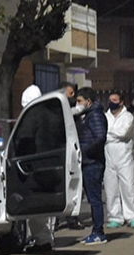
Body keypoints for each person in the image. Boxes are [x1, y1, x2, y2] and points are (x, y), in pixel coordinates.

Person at [19, 85, 58, 254]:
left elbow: (24, 141)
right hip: (53, 164)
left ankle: (42, 241)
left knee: (35, 206)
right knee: (49, 206)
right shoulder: (53, 115)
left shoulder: (31, 116)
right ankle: (48, 237)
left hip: (35, 166)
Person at [74, 87, 108, 245]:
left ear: (88, 102)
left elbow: (100, 137)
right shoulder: (86, 115)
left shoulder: (94, 115)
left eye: (80, 101)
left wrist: (85, 151)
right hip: (88, 161)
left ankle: (98, 232)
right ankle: (96, 231)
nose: (77, 104)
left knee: (95, 199)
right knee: (92, 198)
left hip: (93, 162)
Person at [104, 91, 134, 229]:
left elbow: (123, 133)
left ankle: (133, 216)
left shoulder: (128, 117)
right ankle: (115, 217)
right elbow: (102, 134)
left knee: (128, 188)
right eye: (110, 99)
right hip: (108, 156)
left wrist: (108, 133)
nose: (111, 102)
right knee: (111, 189)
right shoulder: (105, 116)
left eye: (114, 99)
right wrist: (109, 134)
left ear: (121, 102)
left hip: (124, 157)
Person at [59, 81, 84, 230]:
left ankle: (72, 218)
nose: (72, 97)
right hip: (63, 153)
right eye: (70, 94)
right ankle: (58, 219)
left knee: (75, 186)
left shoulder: (75, 112)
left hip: (74, 153)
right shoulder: (62, 110)